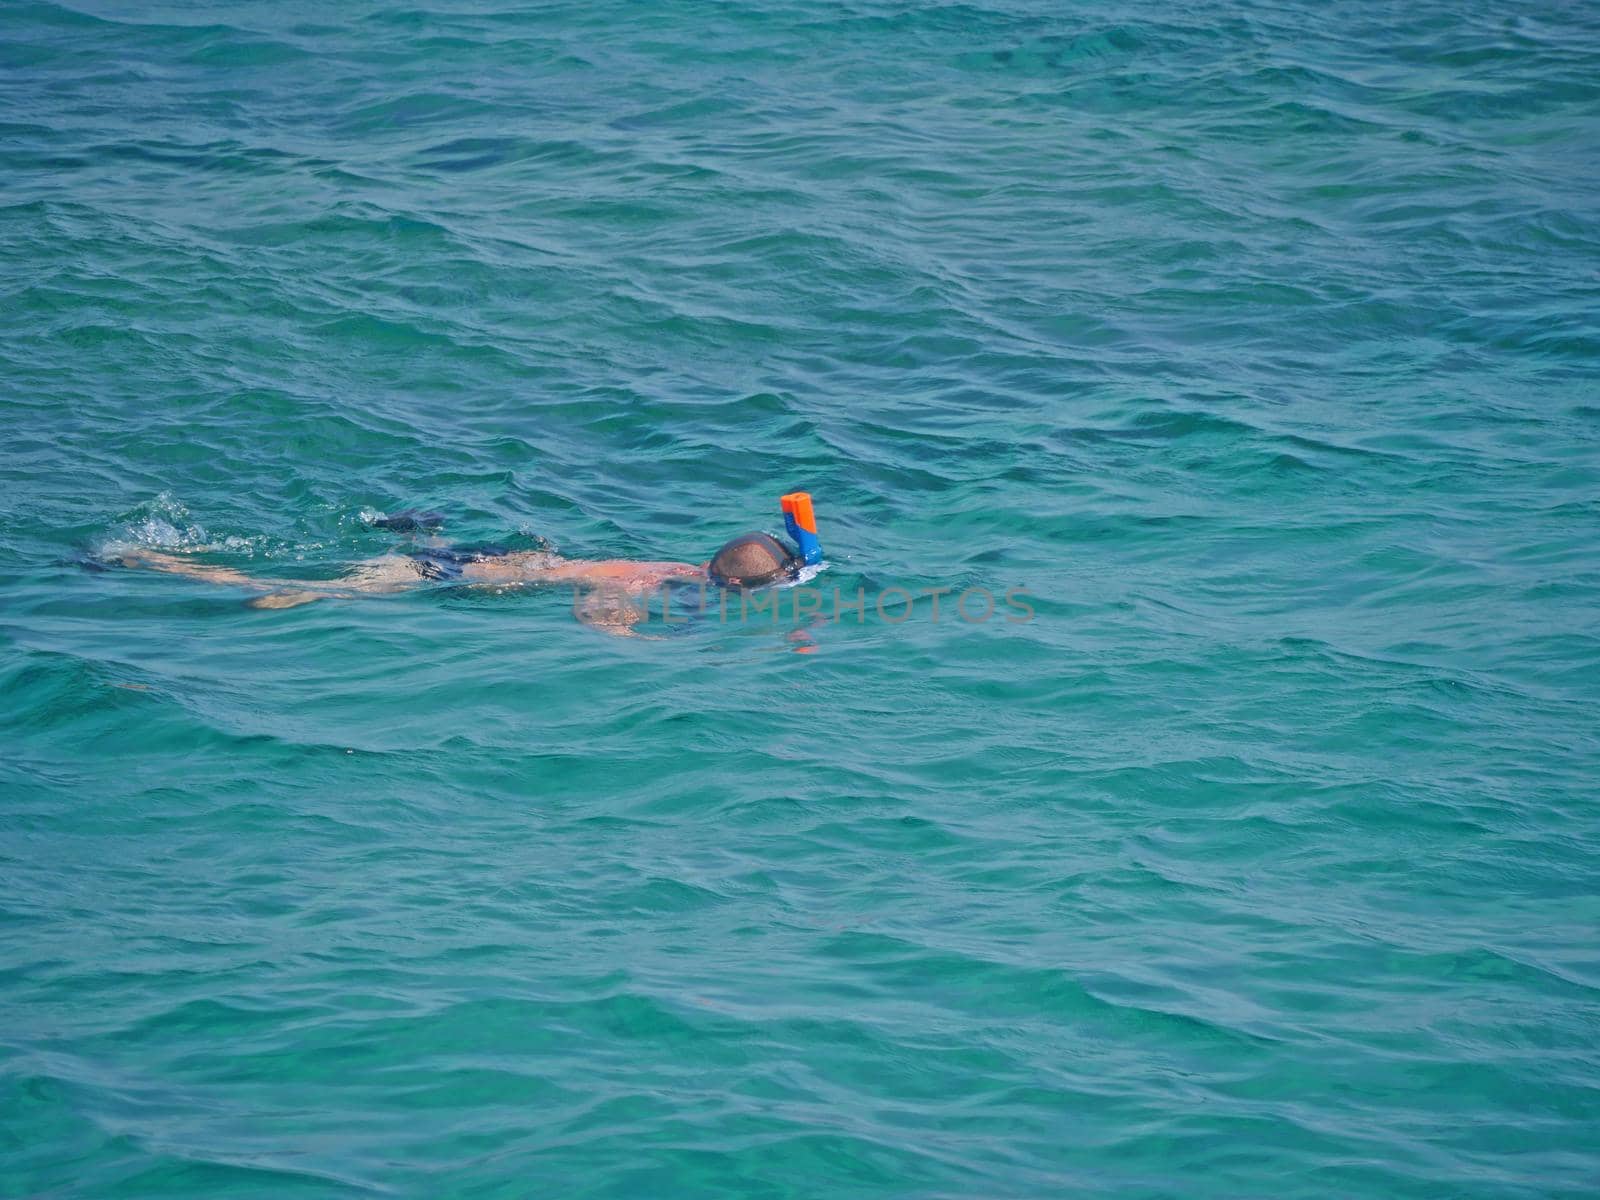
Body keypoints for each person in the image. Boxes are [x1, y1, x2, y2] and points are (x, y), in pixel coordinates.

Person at [114, 523, 803, 635]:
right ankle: (151, 559)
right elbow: (598, 610)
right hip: (452, 574)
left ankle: (418, 527)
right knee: (302, 591)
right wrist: (635, 641)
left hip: (490, 557)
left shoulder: (677, 568)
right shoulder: (649, 582)